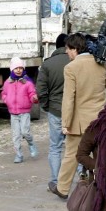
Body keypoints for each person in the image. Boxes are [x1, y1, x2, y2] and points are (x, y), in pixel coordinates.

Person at [58, 32, 106, 198]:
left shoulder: (71, 68)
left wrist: (65, 123)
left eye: (68, 49)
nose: (67, 52)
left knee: (72, 155)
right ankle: (98, 184)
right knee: (99, 153)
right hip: (100, 119)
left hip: (79, 122)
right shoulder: (102, 64)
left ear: (74, 49)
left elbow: (69, 98)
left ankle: (62, 188)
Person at [37, 34, 71, 196]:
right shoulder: (75, 62)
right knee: (75, 147)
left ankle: (56, 181)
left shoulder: (48, 64)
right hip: (74, 112)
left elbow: (41, 90)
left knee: (55, 147)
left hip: (56, 111)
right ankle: (81, 178)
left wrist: (46, 106)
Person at [1, 57, 38, 163]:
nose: (18, 70)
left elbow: (32, 93)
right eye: (16, 68)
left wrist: (34, 98)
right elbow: (4, 93)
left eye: (20, 68)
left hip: (25, 112)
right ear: (12, 69)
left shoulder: (27, 82)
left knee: (25, 132)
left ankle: (31, 144)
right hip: (13, 113)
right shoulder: (7, 83)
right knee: (16, 135)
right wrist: (6, 100)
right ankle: (19, 155)